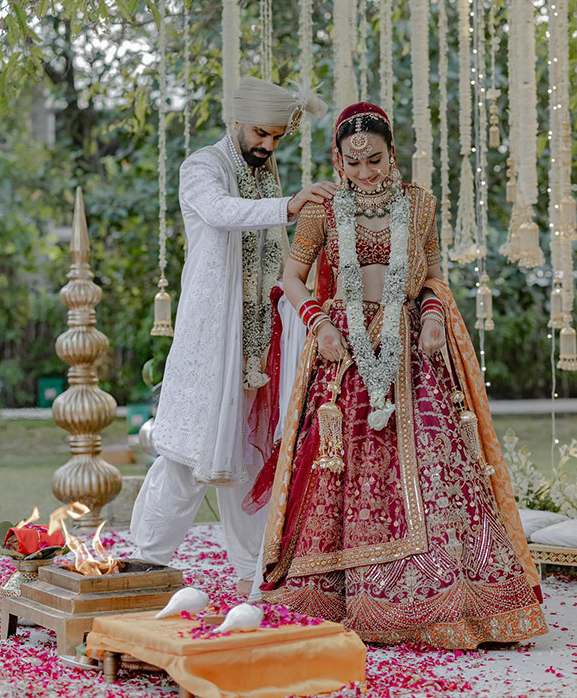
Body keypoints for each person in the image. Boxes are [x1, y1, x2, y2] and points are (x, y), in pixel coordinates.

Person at [260, 102, 548, 647]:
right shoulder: (323, 208)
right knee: (346, 471)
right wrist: (316, 321)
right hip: (344, 348)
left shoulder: (418, 205)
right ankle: (349, 599)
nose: (365, 171)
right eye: (353, 161)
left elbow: (432, 274)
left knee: (439, 469)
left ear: (392, 153)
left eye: (374, 159)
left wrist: (435, 315)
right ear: (338, 161)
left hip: (411, 346)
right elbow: (291, 276)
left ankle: (451, 601)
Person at [130, 76, 337, 595]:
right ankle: (143, 567)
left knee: (247, 462)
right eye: (262, 134)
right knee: (185, 459)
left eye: (275, 139)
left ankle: (254, 580)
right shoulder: (203, 167)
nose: (267, 146)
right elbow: (222, 213)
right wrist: (290, 205)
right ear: (238, 122)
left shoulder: (264, 178)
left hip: (255, 342)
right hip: (210, 341)